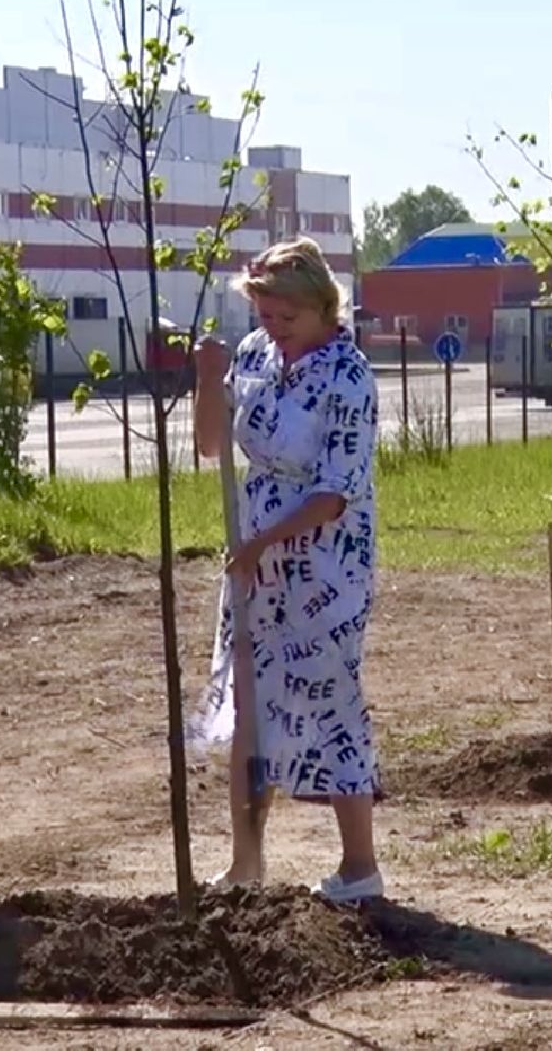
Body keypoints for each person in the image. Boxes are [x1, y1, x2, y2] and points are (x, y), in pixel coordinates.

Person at [189, 237, 383, 903]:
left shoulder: (348, 375)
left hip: (324, 556)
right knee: (250, 699)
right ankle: (245, 862)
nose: (273, 329)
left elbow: (335, 491)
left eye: (285, 318)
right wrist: (205, 376)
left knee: (329, 701)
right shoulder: (253, 356)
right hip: (255, 554)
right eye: (264, 315)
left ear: (323, 307)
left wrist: (264, 541)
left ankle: (359, 867)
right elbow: (210, 443)